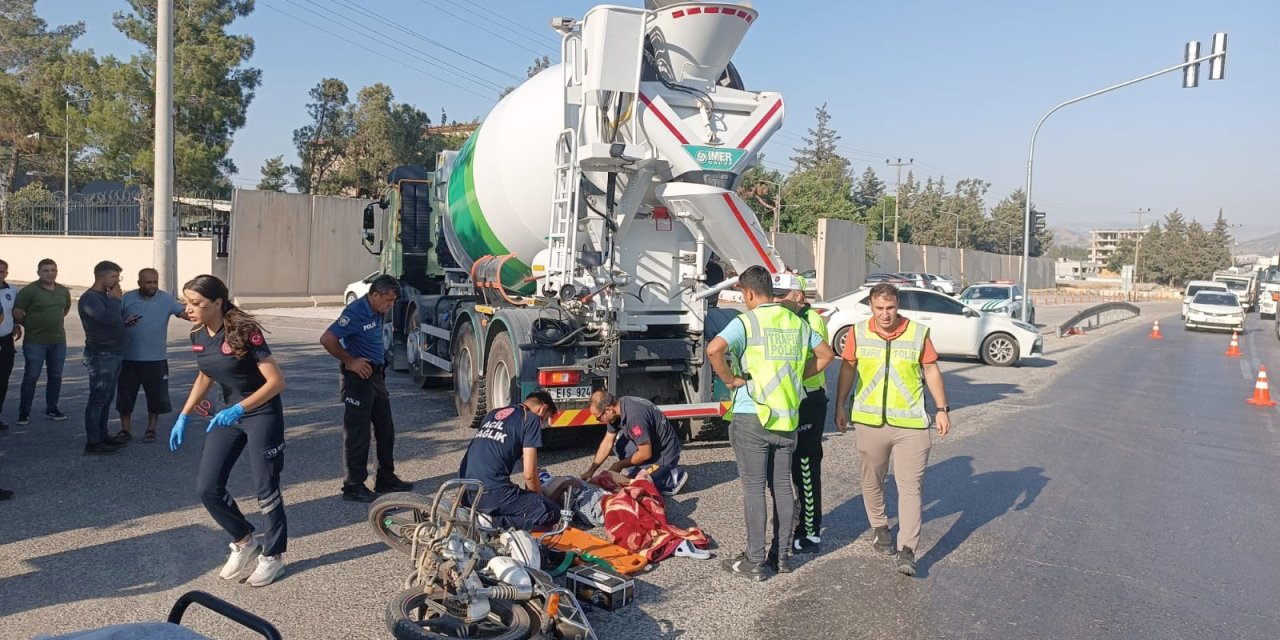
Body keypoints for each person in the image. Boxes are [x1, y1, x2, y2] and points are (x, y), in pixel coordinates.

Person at [706, 268, 834, 580]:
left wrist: (731, 379)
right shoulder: (796, 321)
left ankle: (754, 561)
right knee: (781, 487)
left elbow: (714, 350)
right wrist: (795, 378)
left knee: (753, 489)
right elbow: (826, 355)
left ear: (748, 294)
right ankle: (783, 555)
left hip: (753, 414)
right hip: (787, 416)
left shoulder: (747, 321)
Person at [169, 275, 289, 587]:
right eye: (187, 302)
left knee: (266, 488)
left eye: (198, 303)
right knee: (207, 487)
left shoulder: (244, 331)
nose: (190, 309)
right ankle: (244, 541)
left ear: (218, 303)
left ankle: (273, 557)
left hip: (260, 412)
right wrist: (183, 414)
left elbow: (276, 383)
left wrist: (241, 407)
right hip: (228, 415)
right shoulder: (197, 334)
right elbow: (205, 375)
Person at [834, 283, 951, 577]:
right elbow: (848, 368)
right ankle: (880, 526)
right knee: (873, 479)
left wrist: (942, 409)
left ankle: (908, 550)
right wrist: (839, 406)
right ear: (871, 307)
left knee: (910, 485)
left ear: (897, 305)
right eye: (879, 308)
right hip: (870, 421)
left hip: (910, 423)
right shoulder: (858, 333)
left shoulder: (917, 333)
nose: (885, 314)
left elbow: (931, 370)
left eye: (890, 308)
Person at [319, 274, 411, 502]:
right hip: (357, 378)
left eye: (392, 302)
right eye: (387, 301)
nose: (389, 306)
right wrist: (351, 361)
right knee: (358, 432)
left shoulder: (377, 311)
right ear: (374, 294)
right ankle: (353, 485)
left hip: (376, 375)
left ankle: (385, 477)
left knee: (385, 429)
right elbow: (327, 339)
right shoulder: (355, 312)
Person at [777, 275, 830, 554]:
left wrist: (796, 376)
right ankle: (792, 520)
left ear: (799, 296)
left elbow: (821, 355)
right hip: (789, 397)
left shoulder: (810, 320)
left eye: (783, 294)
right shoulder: (783, 316)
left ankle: (810, 530)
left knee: (806, 465)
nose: (777, 300)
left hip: (808, 398)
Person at [457, 391, 561, 531]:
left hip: (465, 491)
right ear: (542, 409)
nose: (542, 424)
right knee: (551, 512)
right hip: (491, 494)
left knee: (523, 501)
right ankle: (492, 522)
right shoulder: (531, 419)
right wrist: (538, 498)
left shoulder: (492, 414)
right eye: (545, 419)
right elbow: (529, 474)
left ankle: (478, 512)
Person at [116, 268, 189, 444]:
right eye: (148, 282)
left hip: (156, 359)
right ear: (139, 282)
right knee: (125, 398)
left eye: (155, 282)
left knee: (156, 398)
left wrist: (206, 313)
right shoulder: (127, 298)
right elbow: (114, 320)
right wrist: (123, 323)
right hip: (128, 358)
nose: (152, 285)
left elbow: (184, 313)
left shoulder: (166, 299)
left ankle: (151, 429)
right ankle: (125, 430)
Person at [581, 391, 688, 496]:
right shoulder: (619, 408)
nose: (598, 420)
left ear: (608, 410)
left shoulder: (634, 417)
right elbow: (607, 442)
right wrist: (591, 471)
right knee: (619, 443)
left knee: (636, 487)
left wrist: (619, 465)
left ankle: (671, 478)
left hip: (665, 454)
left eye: (598, 418)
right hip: (651, 445)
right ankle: (645, 469)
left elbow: (645, 453)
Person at [78, 261, 129, 455]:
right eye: (114, 277)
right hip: (101, 355)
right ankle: (93, 443)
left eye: (118, 277)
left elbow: (116, 319)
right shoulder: (90, 298)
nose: (117, 281)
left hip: (115, 353)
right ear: (101, 277)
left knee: (107, 398)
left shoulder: (107, 296)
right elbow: (105, 319)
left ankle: (103, 435)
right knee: (98, 398)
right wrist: (116, 300)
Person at [13, 258, 71, 425]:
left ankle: (52, 408)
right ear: (38, 272)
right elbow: (18, 312)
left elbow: (65, 309)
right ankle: (24, 411)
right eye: (46, 270)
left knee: (55, 376)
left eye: (53, 270)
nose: (50, 273)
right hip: (35, 342)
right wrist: (30, 325)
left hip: (58, 341)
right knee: (31, 376)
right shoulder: (29, 291)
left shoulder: (62, 291)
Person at [0, 259, 20, 431]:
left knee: (3, 379)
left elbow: (12, 311)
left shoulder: (12, 290)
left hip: (5, 340)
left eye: (2, 271)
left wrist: (15, 324)